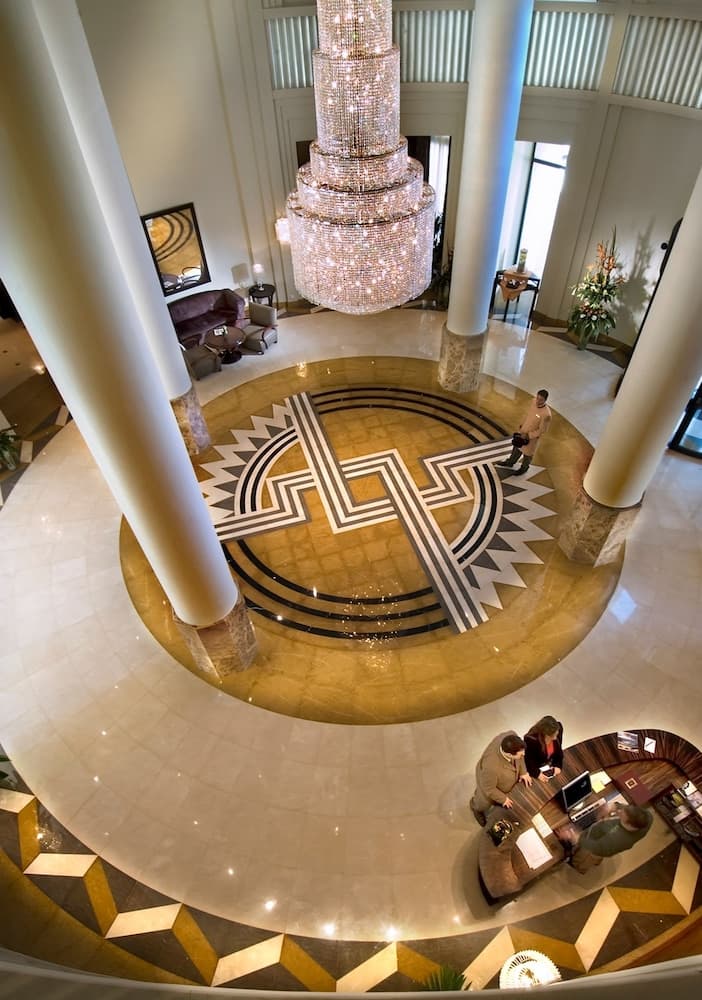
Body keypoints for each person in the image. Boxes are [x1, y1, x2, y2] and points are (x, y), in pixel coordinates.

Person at [558, 802, 653, 873]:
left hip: (595, 849)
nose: (619, 811)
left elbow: (596, 847)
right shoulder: (647, 817)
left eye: (621, 814)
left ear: (629, 825)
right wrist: (615, 806)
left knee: (584, 858)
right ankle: (597, 861)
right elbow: (629, 810)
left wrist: (576, 838)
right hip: (603, 842)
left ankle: (578, 866)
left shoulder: (615, 840)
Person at [470, 732, 532, 825]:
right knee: (483, 803)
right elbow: (489, 788)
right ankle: (475, 807)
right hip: (487, 780)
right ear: (509, 754)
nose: (524, 754)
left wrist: (523, 772)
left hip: (497, 778)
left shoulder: (512, 737)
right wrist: (503, 799)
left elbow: (520, 757)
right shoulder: (491, 767)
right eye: (521, 754)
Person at [497, 389, 552, 476]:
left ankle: (524, 468)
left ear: (545, 400)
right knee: (517, 447)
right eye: (537, 398)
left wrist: (528, 435)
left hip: (531, 438)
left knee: (527, 454)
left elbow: (542, 430)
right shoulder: (533, 401)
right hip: (523, 430)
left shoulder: (546, 414)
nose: (538, 401)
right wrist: (522, 425)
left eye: (541, 400)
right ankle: (510, 462)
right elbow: (528, 415)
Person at [523, 716, 564, 781]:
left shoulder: (558, 728)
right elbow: (528, 761)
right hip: (536, 768)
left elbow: (559, 752)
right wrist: (537, 774)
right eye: (553, 736)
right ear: (545, 734)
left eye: (556, 735)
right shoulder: (530, 740)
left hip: (549, 765)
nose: (555, 738)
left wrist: (558, 766)